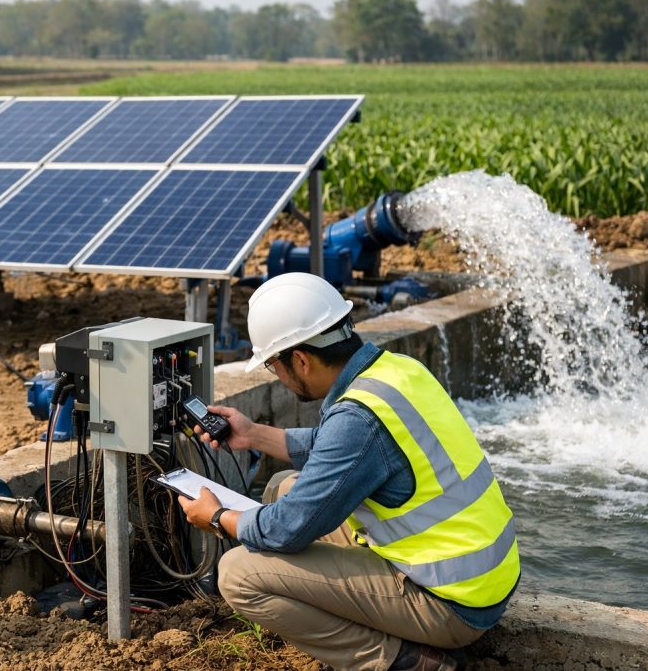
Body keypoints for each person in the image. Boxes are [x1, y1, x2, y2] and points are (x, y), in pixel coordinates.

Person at [178, 272, 519, 671]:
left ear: (301, 359)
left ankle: (403, 662)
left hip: (450, 604)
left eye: (273, 365)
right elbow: (343, 449)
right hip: (481, 577)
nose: (279, 376)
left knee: (238, 575)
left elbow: (286, 529)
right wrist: (253, 435)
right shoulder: (397, 371)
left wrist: (217, 517)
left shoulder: (356, 419)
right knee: (282, 487)